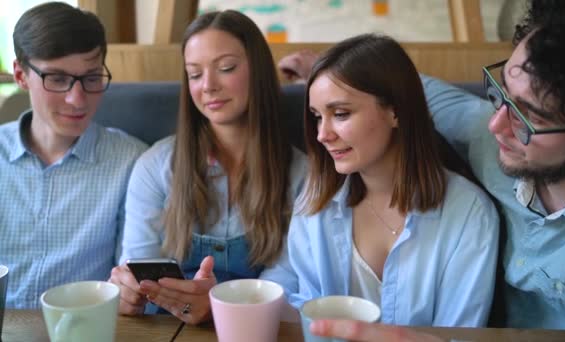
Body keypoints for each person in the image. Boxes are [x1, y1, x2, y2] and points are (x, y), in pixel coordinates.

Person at [281, 1, 565, 340]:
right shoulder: (483, 134)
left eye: (530, 118)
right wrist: (326, 70)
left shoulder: (465, 212)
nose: (496, 124)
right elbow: (407, 88)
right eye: (501, 95)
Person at [280, 33, 499, 327]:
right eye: (317, 116)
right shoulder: (314, 204)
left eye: (341, 114)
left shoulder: (469, 213)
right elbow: (309, 313)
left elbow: (461, 333)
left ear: (395, 111)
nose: (322, 134)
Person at [109, 10, 307, 324]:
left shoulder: (301, 174)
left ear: (258, 72)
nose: (208, 86)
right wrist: (129, 293)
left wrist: (218, 309)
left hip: (257, 327)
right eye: (195, 73)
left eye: (226, 68)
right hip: (168, 326)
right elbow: (140, 263)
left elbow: (289, 284)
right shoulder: (156, 166)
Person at [0, 2, 147, 309]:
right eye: (56, 78)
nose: (77, 99)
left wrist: (133, 293)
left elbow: (133, 277)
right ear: (20, 74)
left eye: (91, 78)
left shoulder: (132, 162)